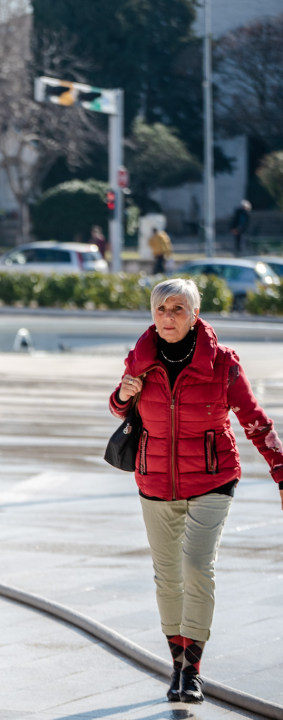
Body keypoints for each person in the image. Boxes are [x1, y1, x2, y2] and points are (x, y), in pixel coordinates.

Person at [110, 278, 283, 704]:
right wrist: (121, 394)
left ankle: (195, 669)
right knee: (167, 575)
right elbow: (119, 406)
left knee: (195, 566)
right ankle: (177, 664)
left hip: (212, 479)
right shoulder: (140, 357)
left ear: (194, 314)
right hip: (154, 480)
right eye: (161, 310)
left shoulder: (222, 363)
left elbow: (254, 419)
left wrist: (280, 467)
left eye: (178, 309)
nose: (168, 318)